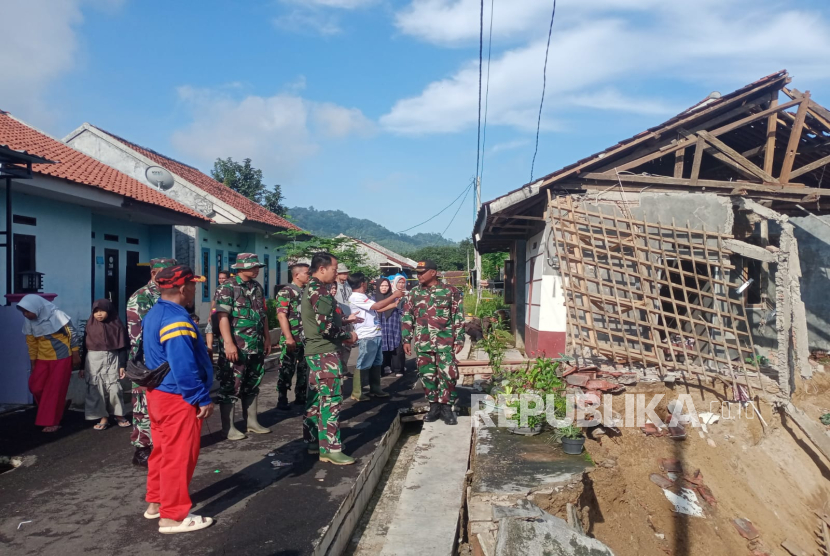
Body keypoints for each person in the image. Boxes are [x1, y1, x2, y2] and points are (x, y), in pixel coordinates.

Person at [141, 265, 214, 534]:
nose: (196, 288)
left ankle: (156, 504)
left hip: (159, 393)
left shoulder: (155, 312)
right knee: (179, 456)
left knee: (161, 452)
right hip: (178, 397)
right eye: (194, 284)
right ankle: (172, 517)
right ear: (184, 288)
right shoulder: (178, 321)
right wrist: (200, 397)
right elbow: (183, 365)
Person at [301, 252, 358, 465]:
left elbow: (322, 320)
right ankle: (330, 448)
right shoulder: (319, 290)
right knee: (331, 400)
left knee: (316, 398)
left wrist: (343, 321)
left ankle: (314, 441)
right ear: (322, 269)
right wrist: (347, 336)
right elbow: (326, 328)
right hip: (324, 352)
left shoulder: (314, 288)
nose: (336, 274)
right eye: (334, 269)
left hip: (316, 351)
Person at [215, 253, 272, 440]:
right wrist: (229, 343)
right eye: (253, 267)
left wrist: (267, 338)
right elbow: (222, 317)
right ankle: (228, 427)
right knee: (231, 385)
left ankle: (252, 422)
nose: (257, 270)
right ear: (241, 268)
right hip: (237, 346)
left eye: (258, 267)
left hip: (255, 344)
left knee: (253, 382)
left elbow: (262, 315)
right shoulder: (227, 287)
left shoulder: (256, 287)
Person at [127, 257, 177, 466]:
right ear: (154, 274)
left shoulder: (169, 294)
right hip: (146, 363)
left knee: (161, 407)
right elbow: (140, 336)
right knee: (143, 407)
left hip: (166, 360)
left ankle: (160, 446)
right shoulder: (141, 297)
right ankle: (142, 449)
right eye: (165, 274)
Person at [401, 260, 464, 426]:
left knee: (449, 374)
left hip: (445, 342)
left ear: (433, 272)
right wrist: (406, 339)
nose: (419, 275)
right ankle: (434, 406)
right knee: (427, 375)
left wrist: (460, 337)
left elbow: (457, 316)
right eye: (417, 273)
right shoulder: (413, 293)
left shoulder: (450, 291)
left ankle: (446, 407)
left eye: (422, 272)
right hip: (423, 342)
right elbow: (408, 317)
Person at [18, 295, 81, 433]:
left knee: (54, 391)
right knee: (36, 387)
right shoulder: (29, 321)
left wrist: (76, 353)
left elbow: (72, 334)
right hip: (42, 358)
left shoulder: (57, 315)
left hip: (62, 358)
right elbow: (32, 343)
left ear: (37, 307)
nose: (25, 314)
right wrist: (33, 363)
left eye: (27, 311)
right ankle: (59, 406)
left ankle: (53, 421)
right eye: (23, 312)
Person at [347, 273, 403, 401]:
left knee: (377, 362)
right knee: (364, 362)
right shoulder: (356, 297)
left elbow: (377, 309)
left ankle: (375, 388)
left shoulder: (363, 296)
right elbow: (377, 306)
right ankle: (357, 391)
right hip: (367, 335)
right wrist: (394, 296)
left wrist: (393, 305)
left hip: (375, 333)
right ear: (362, 283)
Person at [80, 299, 130, 430]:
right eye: (96, 311)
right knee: (97, 389)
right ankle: (103, 417)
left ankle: (119, 415)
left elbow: (123, 347)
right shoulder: (90, 326)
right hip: (93, 360)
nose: (99, 314)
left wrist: (122, 365)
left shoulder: (117, 325)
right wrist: (81, 367)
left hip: (112, 358)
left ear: (109, 311)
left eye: (102, 310)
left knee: (114, 388)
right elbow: (84, 347)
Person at [276, 263, 311, 410]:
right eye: (307, 273)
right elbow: (281, 315)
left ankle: (301, 397)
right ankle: (282, 398)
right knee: (287, 368)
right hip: (292, 338)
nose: (309, 276)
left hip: (305, 338)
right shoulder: (286, 292)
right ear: (297, 275)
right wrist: (289, 337)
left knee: (304, 368)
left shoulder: (306, 291)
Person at [377, 277, 406, 377]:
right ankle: (382, 368)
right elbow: (376, 309)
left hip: (393, 326)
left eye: (386, 286)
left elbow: (401, 311)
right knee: (381, 348)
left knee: (396, 347)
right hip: (380, 327)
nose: (384, 288)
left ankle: (398, 369)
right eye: (382, 285)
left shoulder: (394, 298)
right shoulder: (373, 298)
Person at [204, 270, 232, 357]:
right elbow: (214, 304)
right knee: (209, 329)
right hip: (217, 315)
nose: (221, 280)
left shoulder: (231, 288)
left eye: (223, 278)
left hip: (228, 317)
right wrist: (211, 315)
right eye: (220, 278)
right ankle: (211, 352)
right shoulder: (218, 289)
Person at [333, 263, 353, 374]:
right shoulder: (333, 286)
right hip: (340, 318)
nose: (345, 275)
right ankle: (339, 369)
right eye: (343, 273)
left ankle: (344, 368)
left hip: (349, 317)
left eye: (346, 273)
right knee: (339, 345)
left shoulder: (347, 285)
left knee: (348, 345)